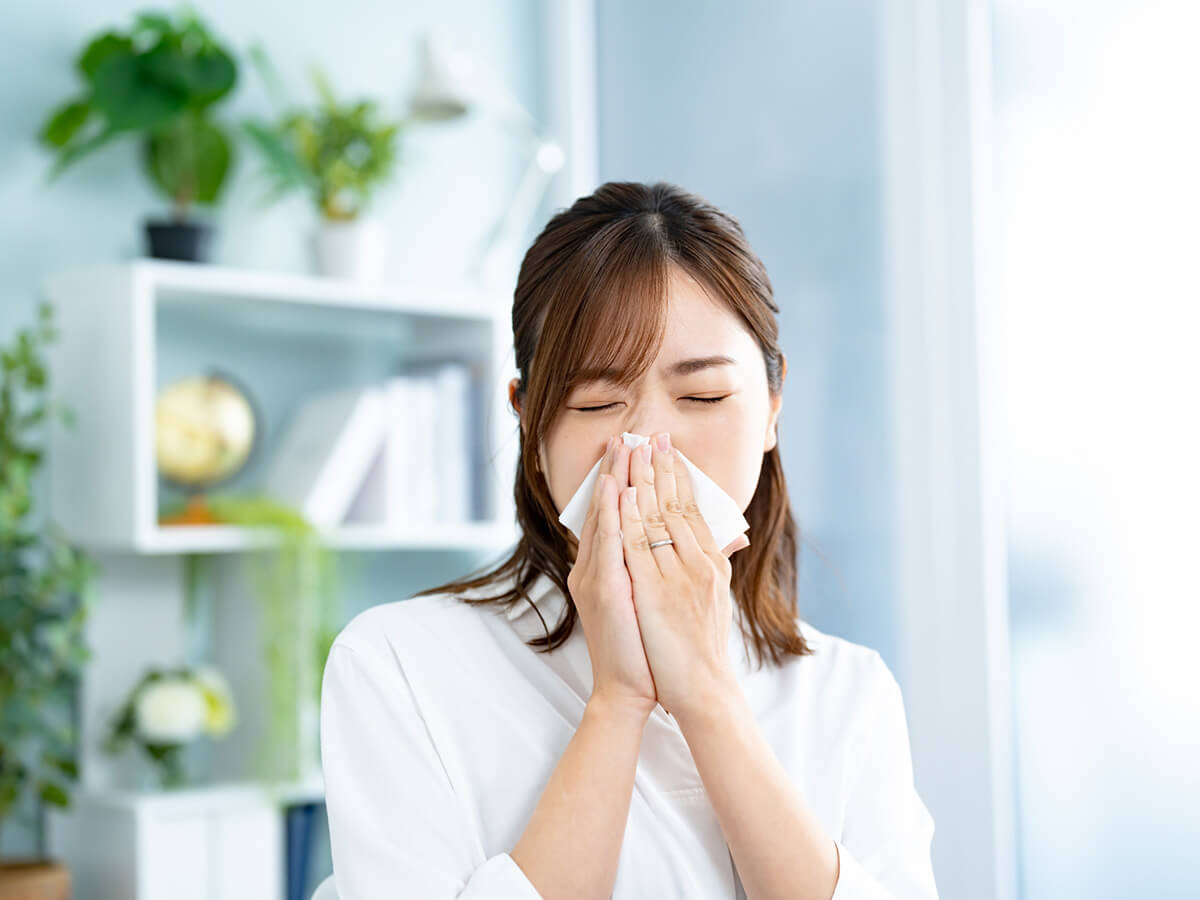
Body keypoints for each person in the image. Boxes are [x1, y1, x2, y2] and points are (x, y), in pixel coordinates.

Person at [319, 181, 940, 899]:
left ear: (771, 407)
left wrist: (705, 692)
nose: (649, 445)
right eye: (597, 403)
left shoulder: (847, 691)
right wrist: (617, 701)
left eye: (702, 396)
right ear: (529, 421)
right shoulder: (398, 666)